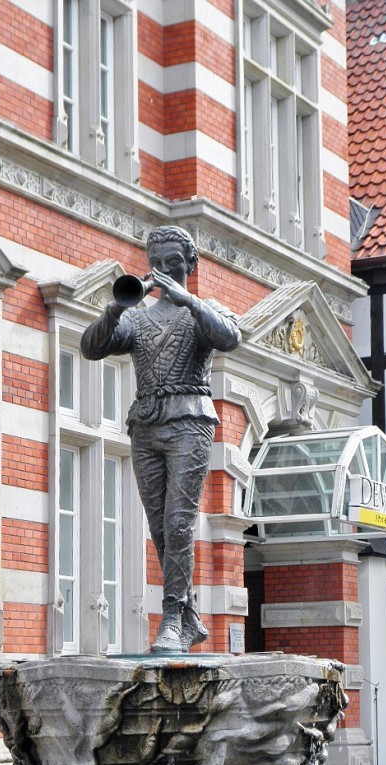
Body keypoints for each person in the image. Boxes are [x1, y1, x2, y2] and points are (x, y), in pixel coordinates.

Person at [80, 225, 241, 652]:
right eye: (158, 263)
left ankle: (172, 616)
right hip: (146, 425)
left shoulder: (203, 311)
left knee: (179, 522)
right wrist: (115, 308)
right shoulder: (135, 318)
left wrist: (190, 299)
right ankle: (187, 615)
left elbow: (230, 336)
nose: (165, 270)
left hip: (190, 422)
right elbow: (90, 347)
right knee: (160, 528)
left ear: (188, 265)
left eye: (174, 263)